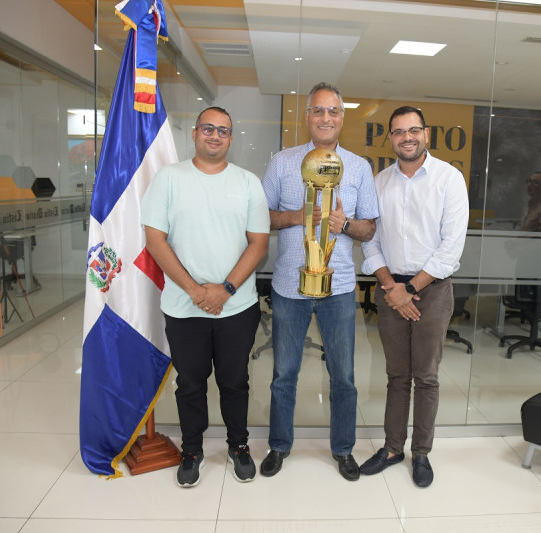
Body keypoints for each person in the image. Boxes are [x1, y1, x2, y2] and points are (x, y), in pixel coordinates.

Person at [141, 106, 270, 487]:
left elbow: (258, 243)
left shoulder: (248, 183)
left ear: (231, 138)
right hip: (184, 307)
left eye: (224, 131)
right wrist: (197, 291)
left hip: (237, 306)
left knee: (235, 382)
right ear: (195, 132)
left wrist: (225, 289)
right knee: (191, 384)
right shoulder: (168, 179)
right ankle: (193, 450)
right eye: (209, 129)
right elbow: (155, 240)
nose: (215, 136)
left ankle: (238, 446)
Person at [260, 82, 378, 481]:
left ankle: (343, 450)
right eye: (318, 111)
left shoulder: (360, 167)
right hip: (290, 288)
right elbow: (263, 218)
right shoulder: (281, 162)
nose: (326, 118)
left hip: (340, 288)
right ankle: (279, 445)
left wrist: (344, 223)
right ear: (307, 116)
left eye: (333, 111)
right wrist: (299, 215)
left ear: (342, 117)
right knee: (284, 375)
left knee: (343, 376)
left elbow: (369, 230)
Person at [359, 106, 469, 488]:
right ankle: (392, 448)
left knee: (426, 376)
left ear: (425, 134)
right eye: (398, 131)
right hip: (391, 290)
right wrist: (392, 286)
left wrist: (409, 289)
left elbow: (450, 247)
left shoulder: (449, 179)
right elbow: (370, 241)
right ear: (390, 138)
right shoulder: (379, 182)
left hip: (432, 290)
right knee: (396, 376)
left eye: (413, 130)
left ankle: (421, 452)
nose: (407, 137)